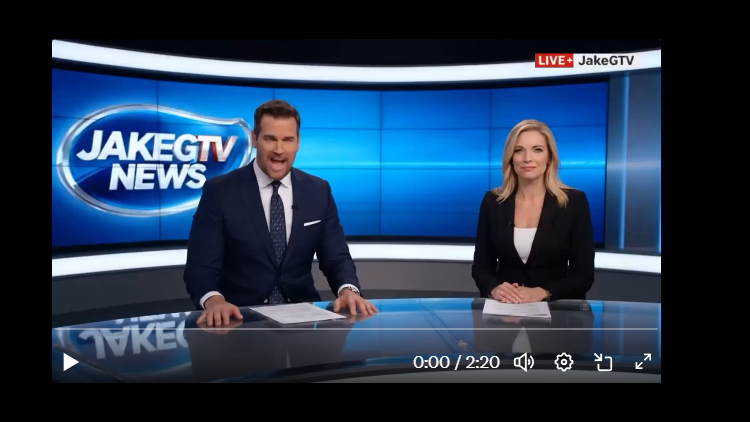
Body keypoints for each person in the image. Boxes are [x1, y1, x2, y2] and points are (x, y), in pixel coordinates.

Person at [184, 99, 378, 326]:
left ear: (298, 142)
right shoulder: (220, 191)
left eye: (287, 140)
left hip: (303, 321)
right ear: (254, 139)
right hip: (240, 321)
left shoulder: (318, 190)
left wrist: (348, 290)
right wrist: (214, 300)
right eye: (270, 139)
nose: (279, 150)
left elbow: (337, 258)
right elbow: (200, 267)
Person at [472, 119, 595, 303]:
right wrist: (494, 289)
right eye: (519, 150)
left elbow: (583, 275)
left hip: (555, 311)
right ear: (510, 157)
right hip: (505, 309)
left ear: (550, 157)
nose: (527, 158)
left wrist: (542, 292)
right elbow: (481, 267)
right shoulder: (493, 201)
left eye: (537, 150)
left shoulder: (573, 202)